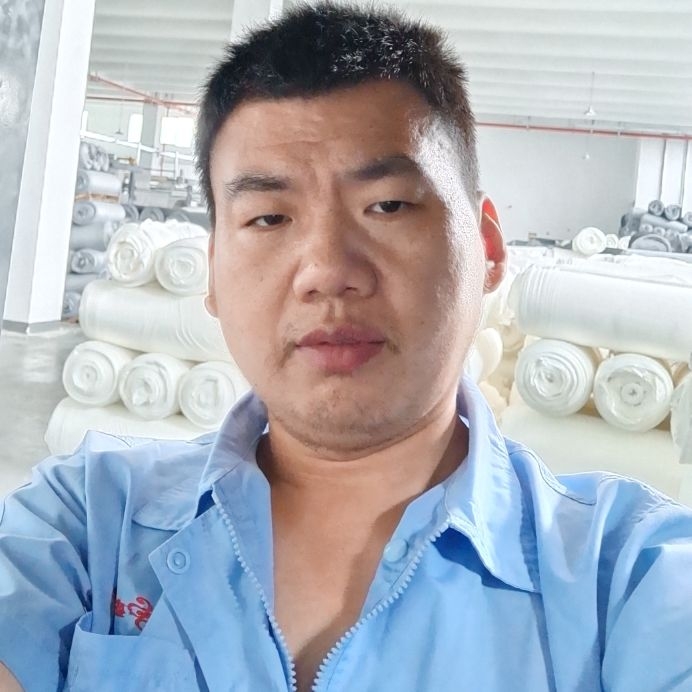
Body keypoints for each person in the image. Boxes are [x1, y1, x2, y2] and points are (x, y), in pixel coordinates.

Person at [1, 3, 691, 691]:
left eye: (388, 206)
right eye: (269, 217)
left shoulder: (627, 582)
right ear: (211, 273)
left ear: (486, 246)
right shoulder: (87, 526)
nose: (327, 270)